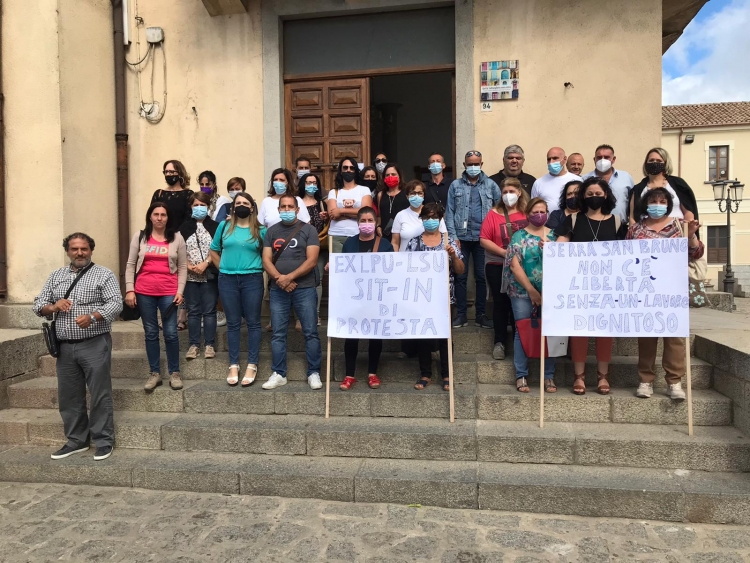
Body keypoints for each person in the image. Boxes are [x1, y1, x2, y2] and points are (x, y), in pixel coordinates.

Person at [33, 233, 122, 462]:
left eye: (84, 248)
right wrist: (54, 306)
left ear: (91, 250)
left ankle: (103, 441)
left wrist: (93, 316)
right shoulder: (57, 276)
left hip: (94, 343)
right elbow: (38, 304)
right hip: (65, 347)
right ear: (68, 251)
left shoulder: (104, 274)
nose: (79, 253)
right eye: (74, 249)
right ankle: (76, 440)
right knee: (69, 396)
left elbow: (115, 303)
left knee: (99, 394)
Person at [626, 188, 703, 401]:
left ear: (668, 204)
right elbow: (625, 257)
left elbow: (696, 253)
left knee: (674, 337)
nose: (657, 204)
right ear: (645, 204)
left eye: (662, 200)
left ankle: (675, 382)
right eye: (653, 200)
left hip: (673, 289)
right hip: (646, 290)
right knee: (647, 336)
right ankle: (646, 380)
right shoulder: (636, 229)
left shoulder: (679, 225)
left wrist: (691, 236)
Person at [554, 177, 626, 395]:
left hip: (607, 286)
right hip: (580, 286)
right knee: (579, 331)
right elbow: (560, 247)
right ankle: (580, 376)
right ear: (582, 197)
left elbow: (625, 253)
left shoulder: (616, 221)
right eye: (589, 194)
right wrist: (550, 247)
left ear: (606, 196)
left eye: (598, 194)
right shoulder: (573, 220)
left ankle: (603, 376)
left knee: (605, 330)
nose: (594, 198)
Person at [262, 193, 322, 390]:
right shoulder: (271, 231)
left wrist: (290, 277)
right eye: (283, 207)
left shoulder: (309, 230)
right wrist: (281, 279)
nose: (286, 210)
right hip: (279, 289)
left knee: (310, 332)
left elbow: (312, 260)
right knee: (278, 333)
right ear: (278, 210)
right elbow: (266, 260)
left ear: (297, 210)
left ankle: (314, 372)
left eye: (290, 207)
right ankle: (279, 373)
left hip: (304, 288)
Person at [125, 202, 187, 392]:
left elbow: (183, 267)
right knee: (151, 333)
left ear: (168, 218)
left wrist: (180, 291)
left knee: (170, 333)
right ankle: (155, 374)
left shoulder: (176, 237)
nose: (159, 218)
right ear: (150, 216)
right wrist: (130, 289)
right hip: (144, 292)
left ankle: (174, 373)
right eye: (156, 214)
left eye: (163, 215)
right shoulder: (140, 236)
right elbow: (130, 264)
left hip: (169, 292)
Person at [406, 203, 465, 392]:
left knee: (444, 336)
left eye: (434, 217)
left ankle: (447, 374)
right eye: (427, 217)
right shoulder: (414, 243)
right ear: (422, 219)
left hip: (445, 296)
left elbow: (460, 271)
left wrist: (454, 256)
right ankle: (425, 373)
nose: (431, 221)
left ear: (440, 219)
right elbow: (406, 269)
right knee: (423, 335)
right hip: (422, 297)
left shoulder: (450, 241)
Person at [210, 192, 266, 387]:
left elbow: (267, 256)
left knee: (253, 322)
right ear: (233, 207)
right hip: (228, 280)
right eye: (238, 203)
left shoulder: (261, 230)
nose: (241, 205)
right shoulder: (224, 227)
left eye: (245, 203)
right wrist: (224, 268)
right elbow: (214, 250)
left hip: (252, 279)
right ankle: (233, 364)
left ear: (252, 207)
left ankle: (252, 363)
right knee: (233, 323)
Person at [503, 197, 557, 393]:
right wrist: (532, 291)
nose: (539, 215)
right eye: (534, 212)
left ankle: (548, 376)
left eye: (542, 211)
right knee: (522, 329)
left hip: (551, 292)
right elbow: (514, 265)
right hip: (522, 291)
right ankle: (521, 375)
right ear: (528, 214)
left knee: (549, 330)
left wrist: (551, 251)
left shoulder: (555, 237)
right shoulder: (519, 236)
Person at [338, 207, 394, 391]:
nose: (367, 224)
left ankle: (372, 373)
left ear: (375, 222)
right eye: (363, 221)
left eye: (370, 220)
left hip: (377, 297)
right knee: (351, 336)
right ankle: (349, 374)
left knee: (374, 335)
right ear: (358, 223)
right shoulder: (349, 244)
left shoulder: (385, 245)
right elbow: (344, 268)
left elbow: (392, 270)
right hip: (354, 297)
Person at [445, 149, 501, 329]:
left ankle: (481, 315)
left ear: (482, 164)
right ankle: (461, 315)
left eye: (477, 164)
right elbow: (449, 212)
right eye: (470, 164)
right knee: (460, 276)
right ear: (464, 165)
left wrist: (494, 235)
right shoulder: (455, 186)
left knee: (481, 277)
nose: (473, 167)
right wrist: (453, 237)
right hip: (461, 238)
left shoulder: (491, 185)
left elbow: (499, 211)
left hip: (483, 239)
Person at [480, 178, 530, 360]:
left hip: (524, 267)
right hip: (497, 265)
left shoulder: (527, 213)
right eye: (505, 192)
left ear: (519, 192)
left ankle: (522, 341)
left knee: (520, 304)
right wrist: (505, 254)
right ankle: (499, 343)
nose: (508, 195)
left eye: (511, 191)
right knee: (500, 304)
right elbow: (484, 239)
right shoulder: (493, 214)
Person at [179, 191, 219, 361]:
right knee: (193, 311)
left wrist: (207, 262)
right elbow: (179, 250)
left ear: (208, 207)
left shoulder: (216, 226)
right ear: (191, 207)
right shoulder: (184, 227)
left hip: (209, 274)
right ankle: (194, 345)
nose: (199, 208)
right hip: (190, 276)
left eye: (202, 205)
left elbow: (218, 247)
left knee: (209, 311)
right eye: (196, 205)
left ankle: (209, 345)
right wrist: (188, 265)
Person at [629, 147, 698, 225]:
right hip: (646, 234)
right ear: (646, 163)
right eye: (651, 160)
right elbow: (632, 218)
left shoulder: (677, 184)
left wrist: (687, 232)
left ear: (665, 163)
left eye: (659, 161)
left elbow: (688, 212)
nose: (654, 163)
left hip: (676, 233)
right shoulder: (638, 189)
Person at [299, 172, 329, 324]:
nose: (311, 185)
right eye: (308, 182)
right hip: (300, 247)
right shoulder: (296, 203)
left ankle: (315, 314)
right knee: (301, 279)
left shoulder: (322, 203)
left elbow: (329, 225)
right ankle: (300, 316)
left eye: (314, 183)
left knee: (318, 279)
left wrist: (326, 217)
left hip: (319, 246)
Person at [327, 157, 373, 253]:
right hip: (336, 235)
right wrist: (356, 213)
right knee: (337, 267)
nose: (348, 170)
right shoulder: (333, 192)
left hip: (358, 235)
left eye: (352, 168)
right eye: (345, 167)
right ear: (340, 170)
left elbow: (365, 213)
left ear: (356, 171)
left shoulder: (364, 190)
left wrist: (341, 211)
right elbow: (332, 215)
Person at [582, 144, 635, 223]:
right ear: (594, 159)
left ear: (613, 159)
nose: (602, 160)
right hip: (591, 226)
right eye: (599, 157)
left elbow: (633, 202)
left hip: (620, 227)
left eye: (606, 157)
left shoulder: (626, 177)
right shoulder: (584, 179)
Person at [392, 179, 447, 252]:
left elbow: (445, 237)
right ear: (407, 196)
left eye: (419, 193)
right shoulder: (400, 215)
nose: (416, 196)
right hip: (405, 259)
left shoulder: (434, 213)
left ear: (423, 195)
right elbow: (395, 242)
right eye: (413, 193)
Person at [531, 147, 581, 213]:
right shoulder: (539, 183)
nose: (551, 162)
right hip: (548, 223)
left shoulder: (577, 180)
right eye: (549, 159)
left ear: (565, 159)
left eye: (555, 158)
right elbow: (533, 207)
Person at [151, 159, 193, 231]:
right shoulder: (159, 194)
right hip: (161, 235)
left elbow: (189, 219)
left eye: (171, 172)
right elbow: (152, 216)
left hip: (181, 236)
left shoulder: (188, 194)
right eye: (166, 172)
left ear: (180, 173)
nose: (168, 174)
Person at [376, 163, 409, 242]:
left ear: (399, 177)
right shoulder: (380, 195)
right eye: (387, 175)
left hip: (403, 234)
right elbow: (379, 216)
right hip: (385, 236)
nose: (390, 177)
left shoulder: (407, 193)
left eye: (393, 174)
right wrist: (378, 227)